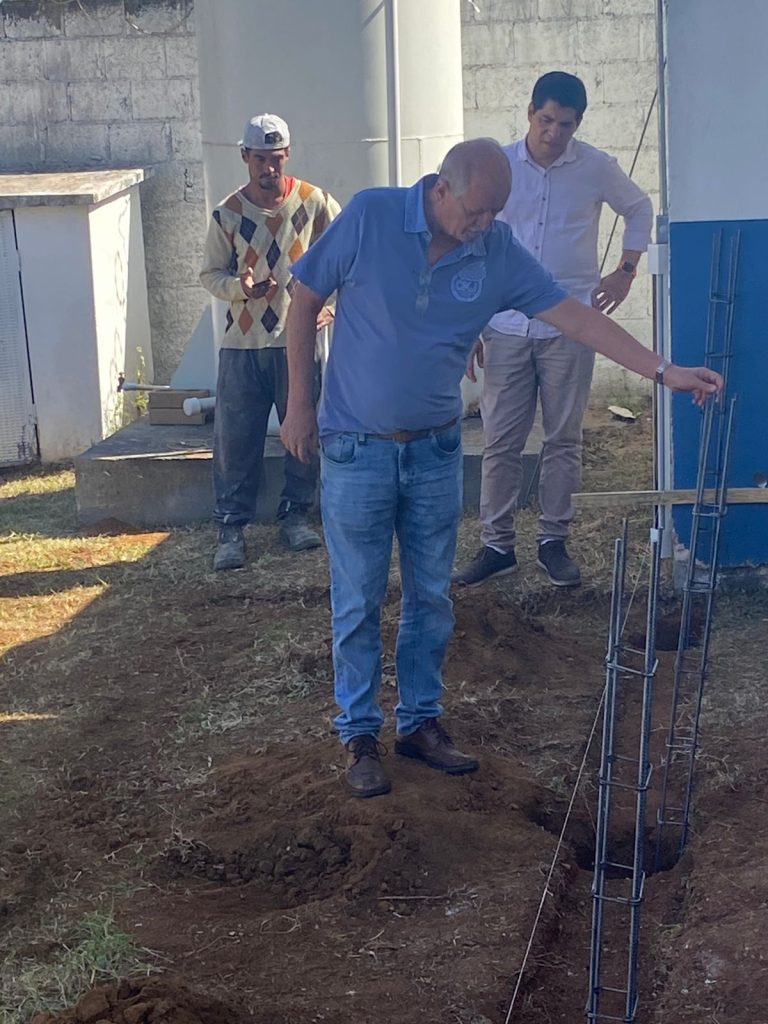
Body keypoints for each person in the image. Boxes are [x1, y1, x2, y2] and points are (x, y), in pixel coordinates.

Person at [280, 138, 721, 799]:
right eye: (478, 213)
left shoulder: (495, 250)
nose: (485, 227)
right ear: (442, 190)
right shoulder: (371, 217)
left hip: (434, 451)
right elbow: (304, 300)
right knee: (359, 600)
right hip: (356, 448)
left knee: (430, 598)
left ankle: (420, 724)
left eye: (495, 215)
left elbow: (574, 318)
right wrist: (299, 406)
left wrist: (663, 370)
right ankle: (360, 735)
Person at [453, 72, 654, 589]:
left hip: (570, 323)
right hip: (505, 324)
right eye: (545, 120)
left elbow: (639, 208)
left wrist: (626, 271)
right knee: (500, 439)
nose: (553, 132)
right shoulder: (498, 166)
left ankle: (552, 540)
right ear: (529, 114)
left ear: (577, 124)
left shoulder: (595, 167)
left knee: (564, 437)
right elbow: (469, 239)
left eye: (565, 124)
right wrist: (471, 317)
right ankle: (496, 545)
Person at [200, 113, 341, 571]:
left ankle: (296, 516)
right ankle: (231, 528)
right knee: (235, 439)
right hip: (243, 343)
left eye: (276, 158)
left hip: (296, 341)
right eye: (259, 158)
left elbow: (346, 255)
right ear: (244, 157)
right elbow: (210, 275)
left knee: (303, 431)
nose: (269, 168)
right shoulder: (227, 213)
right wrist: (240, 287)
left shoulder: (315, 202)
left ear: (287, 156)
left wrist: (333, 306)